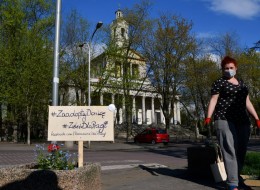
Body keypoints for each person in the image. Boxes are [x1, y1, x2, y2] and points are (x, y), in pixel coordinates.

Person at [204, 56, 260, 190]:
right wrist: (208, 117)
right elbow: (213, 100)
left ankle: (237, 178)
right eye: (226, 68)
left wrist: (257, 118)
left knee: (240, 151)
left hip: (242, 120)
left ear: (236, 68)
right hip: (224, 119)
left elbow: (247, 102)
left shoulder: (242, 83)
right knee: (229, 150)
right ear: (222, 70)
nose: (228, 70)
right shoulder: (219, 82)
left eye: (231, 68)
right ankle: (232, 183)